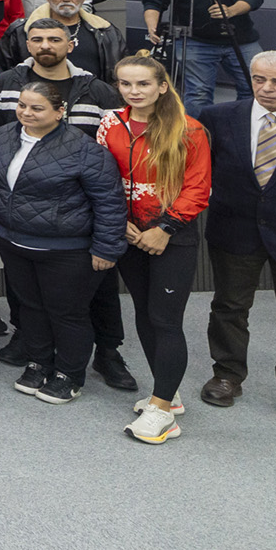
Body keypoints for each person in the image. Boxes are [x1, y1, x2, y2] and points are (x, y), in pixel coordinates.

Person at [0, 17, 129, 370]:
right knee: (27, 293)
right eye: (37, 39)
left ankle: (107, 352)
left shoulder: (98, 90)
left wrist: (106, 236)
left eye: (54, 39)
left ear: (71, 44)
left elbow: (110, 153)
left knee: (91, 293)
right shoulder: (6, 83)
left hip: (80, 214)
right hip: (22, 214)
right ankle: (28, 339)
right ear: (27, 44)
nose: (45, 45)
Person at [99, 55, 210, 444]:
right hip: (128, 235)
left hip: (171, 237)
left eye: (143, 84)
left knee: (165, 319)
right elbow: (101, 177)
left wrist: (165, 228)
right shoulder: (110, 123)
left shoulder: (189, 129)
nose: (134, 91)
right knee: (144, 314)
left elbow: (198, 187)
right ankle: (167, 391)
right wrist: (118, 223)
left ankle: (162, 412)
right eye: (125, 84)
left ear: (162, 86)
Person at [198, 49, 276, 423]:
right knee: (229, 307)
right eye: (259, 79)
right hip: (234, 229)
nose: (267, 88)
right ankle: (226, 375)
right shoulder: (217, 116)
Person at [144, 0, 264, 116]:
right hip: (195, 39)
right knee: (198, 94)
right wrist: (153, 26)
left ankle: (244, 125)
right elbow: (154, 0)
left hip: (240, 38)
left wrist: (231, 10)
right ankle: (198, 131)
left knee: (256, 86)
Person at [0, 0, 124, 75]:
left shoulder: (106, 31)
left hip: (94, 99)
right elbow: (2, 70)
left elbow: (120, 72)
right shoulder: (20, 32)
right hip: (36, 99)